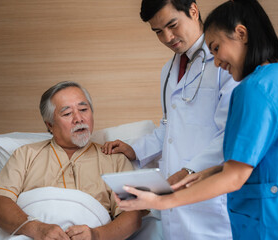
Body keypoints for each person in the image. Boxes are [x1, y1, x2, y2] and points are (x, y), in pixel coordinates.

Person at [113, 0, 278, 239]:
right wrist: (207, 172)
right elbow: (267, 153)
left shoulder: (254, 87)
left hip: (272, 220)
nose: (216, 61)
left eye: (216, 48)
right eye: (158, 32)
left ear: (241, 33)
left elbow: (236, 169)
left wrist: (163, 199)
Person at [102, 0, 237, 239]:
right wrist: (135, 149)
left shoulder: (224, 62)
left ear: (193, 11)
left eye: (172, 25)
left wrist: (188, 170)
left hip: (210, 193)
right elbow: (171, 127)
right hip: (174, 193)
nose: (167, 37)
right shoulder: (169, 70)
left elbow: (231, 132)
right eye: (158, 32)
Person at [0, 81, 142, 240]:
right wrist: (37, 229)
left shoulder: (115, 159)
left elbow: (133, 216)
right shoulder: (25, 154)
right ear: (50, 125)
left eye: (83, 110)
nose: (79, 118)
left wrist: (96, 235)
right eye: (67, 113)